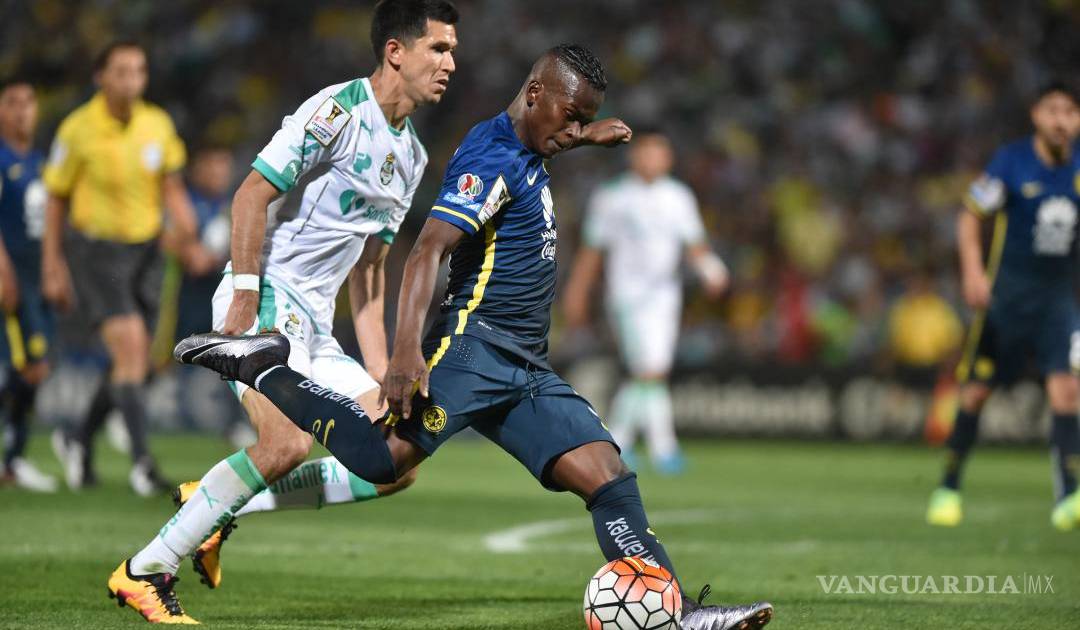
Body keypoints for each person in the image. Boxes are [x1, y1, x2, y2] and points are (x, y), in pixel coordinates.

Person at [178, 44, 773, 630]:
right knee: (386, 462)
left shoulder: (529, 142)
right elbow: (426, 251)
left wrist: (582, 136)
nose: (572, 131)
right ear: (535, 94)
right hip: (474, 349)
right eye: (571, 117)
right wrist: (405, 351)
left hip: (525, 364)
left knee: (609, 476)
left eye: (582, 122)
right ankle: (262, 366)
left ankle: (678, 613)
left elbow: (535, 144)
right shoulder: (490, 157)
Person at [106, 1, 458, 623]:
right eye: (439, 48)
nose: (450, 63)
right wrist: (245, 293)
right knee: (286, 443)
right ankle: (145, 570)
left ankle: (214, 505)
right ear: (395, 52)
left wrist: (383, 375)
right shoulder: (336, 112)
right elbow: (251, 194)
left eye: (452, 50)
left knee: (396, 460)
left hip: (315, 327)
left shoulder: (413, 158)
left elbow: (369, 273)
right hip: (267, 299)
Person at [43, 40, 211, 496]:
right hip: (96, 250)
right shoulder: (77, 129)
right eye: (121, 71)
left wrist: (188, 233)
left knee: (136, 359)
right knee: (132, 346)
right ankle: (142, 464)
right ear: (100, 77)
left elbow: (171, 186)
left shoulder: (157, 123)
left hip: (148, 250)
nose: (131, 79)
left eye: (138, 70)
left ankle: (77, 437)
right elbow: (56, 199)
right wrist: (53, 263)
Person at [926, 80, 1080, 531]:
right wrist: (973, 271)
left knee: (1066, 391)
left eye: (1070, 112)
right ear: (1036, 115)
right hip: (1007, 300)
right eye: (1053, 110)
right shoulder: (1011, 162)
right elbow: (970, 215)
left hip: (1057, 300)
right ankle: (948, 486)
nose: (1061, 120)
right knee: (976, 392)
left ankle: (1069, 496)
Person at [563, 129, 727, 474]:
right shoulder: (612, 196)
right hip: (628, 294)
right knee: (649, 369)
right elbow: (592, 250)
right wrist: (577, 291)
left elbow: (694, 243)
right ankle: (662, 447)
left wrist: (711, 270)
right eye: (648, 152)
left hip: (665, 295)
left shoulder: (678, 197)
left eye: (660, 153)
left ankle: (619, 442)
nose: (654, 159)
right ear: (634, 156)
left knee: (652, 372)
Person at [0, 78, 57, 492]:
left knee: (33, 368)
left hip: (36, 278)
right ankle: (13, 459)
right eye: (12, 102)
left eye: (28, 102)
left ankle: (12, 461)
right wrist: (3, 269)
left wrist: (58, 270)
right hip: (13, 276)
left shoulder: (38, 161)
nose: (22, 110)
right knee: (29, 368)